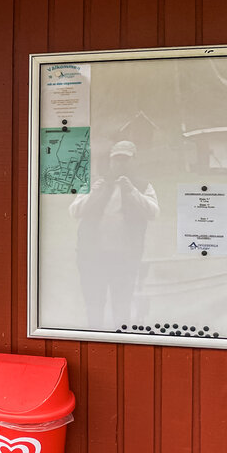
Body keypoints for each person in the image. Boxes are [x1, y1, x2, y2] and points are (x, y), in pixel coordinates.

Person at [69, 140, 160, 329]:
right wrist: (94, 194)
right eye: (117, 159)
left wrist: (132, 191)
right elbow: (74, 211)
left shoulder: (143, 186)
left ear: (134, 161)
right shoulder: (95, 183)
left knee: (122, 305)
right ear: (110, 161)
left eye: (125, 159)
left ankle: (121, 344)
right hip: (92, 258)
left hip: (125, 259)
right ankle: (93, 342)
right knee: (94, 305)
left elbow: (154, 213)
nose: (121, 164)